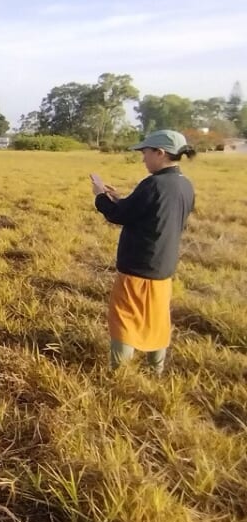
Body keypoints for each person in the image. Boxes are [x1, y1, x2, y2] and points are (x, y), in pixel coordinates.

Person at [91, 130, 196, 374]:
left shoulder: (154, 184)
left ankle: (119, 374)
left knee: (124, 319)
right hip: (164, 266)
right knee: (157, 319)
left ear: (160, 153)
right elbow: (148, 213)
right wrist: (118, 198)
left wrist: (100, 198)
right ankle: (155, 370)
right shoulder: (184, 185)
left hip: (138, 265)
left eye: (146, 153)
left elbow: (119, 215)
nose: (143, 158)